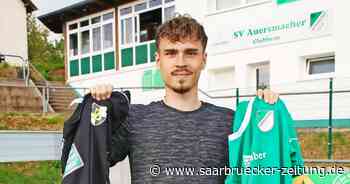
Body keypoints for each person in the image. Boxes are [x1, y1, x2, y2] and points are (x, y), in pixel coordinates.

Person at [88, 15, 279, 183]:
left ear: (204, 59)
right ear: (158, 60)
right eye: (171, 53)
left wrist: (265, 109)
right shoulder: (134, 119)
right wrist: (98, 109)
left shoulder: (231, 121)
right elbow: (89, 161)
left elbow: (263, 169)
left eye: (190, 53)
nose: (181, 62)